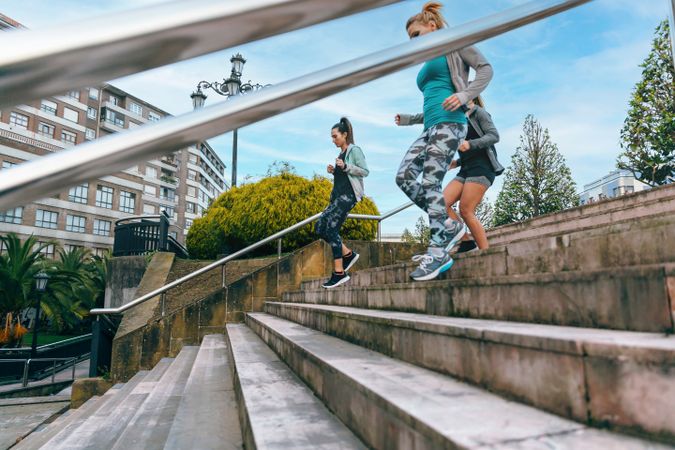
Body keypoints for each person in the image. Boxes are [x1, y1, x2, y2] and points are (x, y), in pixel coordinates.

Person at [395, 1, 493, 281]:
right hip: (429, 128)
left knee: (429, 182)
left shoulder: (455, 44)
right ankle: (448, 226)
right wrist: (411, 119)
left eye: (416, 35)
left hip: (451, 125)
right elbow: (433, 100)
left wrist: (465, 96)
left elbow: (485, 69)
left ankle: (438, 250)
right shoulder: (429, 61)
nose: (413, 42)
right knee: (403, 177)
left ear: (432, 26)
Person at [444, 97, 504, 253]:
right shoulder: (457, 120)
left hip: (482, 168)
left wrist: (470, 144)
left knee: (465, 209)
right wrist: (455, 163)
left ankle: (485, 252)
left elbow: (494, 136)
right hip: (466, 169)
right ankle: (466, 241)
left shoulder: (479, 113)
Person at [315, 117, 369, 289]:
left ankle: (339, 273)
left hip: (349, 196)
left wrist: (346, 167)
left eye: (335, 136)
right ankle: (348, 255)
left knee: (331, 229)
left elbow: (365, 171)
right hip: (337, 196)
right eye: (332, 137)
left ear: (345, 135)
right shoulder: (340, 155)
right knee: (320, 227)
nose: (333, 140)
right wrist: (334, 171)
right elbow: (342, 178)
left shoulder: (354, 151)